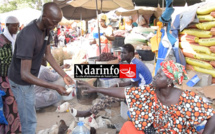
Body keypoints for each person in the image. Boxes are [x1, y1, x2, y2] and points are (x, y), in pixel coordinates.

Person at [77, 60, 215, 134]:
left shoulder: (186, 99)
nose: (155, 76)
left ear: (169, 82)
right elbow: (124, 92)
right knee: (128, 126)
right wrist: (95, 88)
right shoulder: (151, 90)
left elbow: (212, 115)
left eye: (159, 75)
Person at [8, 2, 75, 134]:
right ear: (44, 17)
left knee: (30, 114)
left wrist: (64, 75)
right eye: (54, 22)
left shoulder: (46, 29)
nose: (55, 26)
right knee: (29, 120)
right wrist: (55, 87)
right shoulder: (28, 35)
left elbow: (48, 55)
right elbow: (24, 75)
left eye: (57, 22)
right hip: (20, 82)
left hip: (28, 79)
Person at [70, 44, 152, 117]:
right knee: (111, 93)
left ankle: (88, 113)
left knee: (109, 97)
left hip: (144, 93)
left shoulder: (134, 65)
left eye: (124, 53)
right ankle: (91, 112)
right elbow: (134, 81)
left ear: (130, 54)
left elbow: (133, 88)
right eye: (121, 53)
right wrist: (118, 85)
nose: (121, 55)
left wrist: (117, 91)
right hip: (143, 89)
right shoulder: (134, 62)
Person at [0, 16, 21, 134]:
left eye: (18, 25)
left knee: (13, 106)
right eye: (14, 25)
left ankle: (13, 130)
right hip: (3, 80)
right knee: (6, 105)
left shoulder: (14, 40)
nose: (16, 28)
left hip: (13, 78)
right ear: (7, 25)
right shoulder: (1, 40)